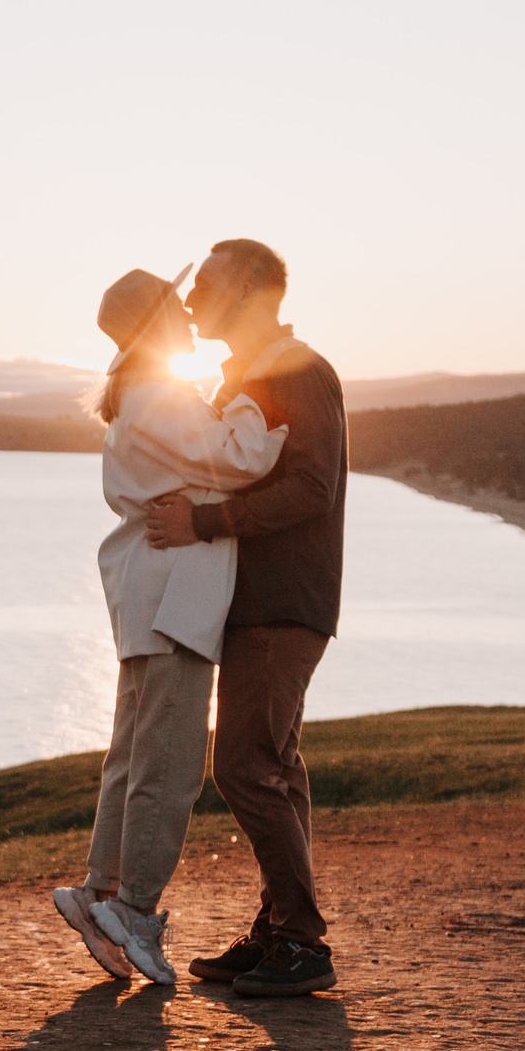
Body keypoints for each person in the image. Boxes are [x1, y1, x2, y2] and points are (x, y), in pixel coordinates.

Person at [49, 269, 287, 988]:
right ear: (155, 324)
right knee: (171, 764)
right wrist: (254, 397)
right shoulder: (160, 394)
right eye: (175, 309)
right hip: (175, 601)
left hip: (147, 599)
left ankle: (102, 889)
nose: (188, 315)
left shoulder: (137, 394)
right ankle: (137, 909)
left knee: (131, 755)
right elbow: (244, 455)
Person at [146, 238, 348, 997]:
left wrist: (203, 521)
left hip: (283, 601)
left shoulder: (299, 373)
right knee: (276, 765)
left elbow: (312, 491)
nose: (193, 300)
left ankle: (302, 940)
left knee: (242, 765)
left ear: (254, 290)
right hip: (261, 603)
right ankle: (277, 931)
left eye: (207, 285)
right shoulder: (252, 375)